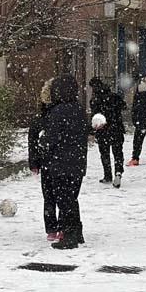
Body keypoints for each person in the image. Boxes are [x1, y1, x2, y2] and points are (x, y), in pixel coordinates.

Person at [45, 74, 88, 249]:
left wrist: (44, 141)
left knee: (64, 200)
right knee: (72, 197)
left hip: (61, 162)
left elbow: (53, 138)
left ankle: (69, 235)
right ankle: (77, 232)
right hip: (77, 161)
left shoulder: (58, 111)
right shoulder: (79, 109)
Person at [28, 78, 60, 241]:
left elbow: (33, 137)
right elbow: (33, 137)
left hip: (55, 160)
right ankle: (53, 227)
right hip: (51, 160)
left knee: (53, 196)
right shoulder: (44, 115)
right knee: (52, 196)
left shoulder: (52, 114)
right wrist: (34, 161)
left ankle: (54, 227)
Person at [89, 77, 125, 188]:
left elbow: (95, 117)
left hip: (103, 130)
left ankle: (107, 175)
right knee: (118, 153)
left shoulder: (95, 100)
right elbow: (124, 106)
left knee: (105, 154)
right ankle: (118, 172)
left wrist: (92, 130)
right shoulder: (114, 96)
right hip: (116, 129)